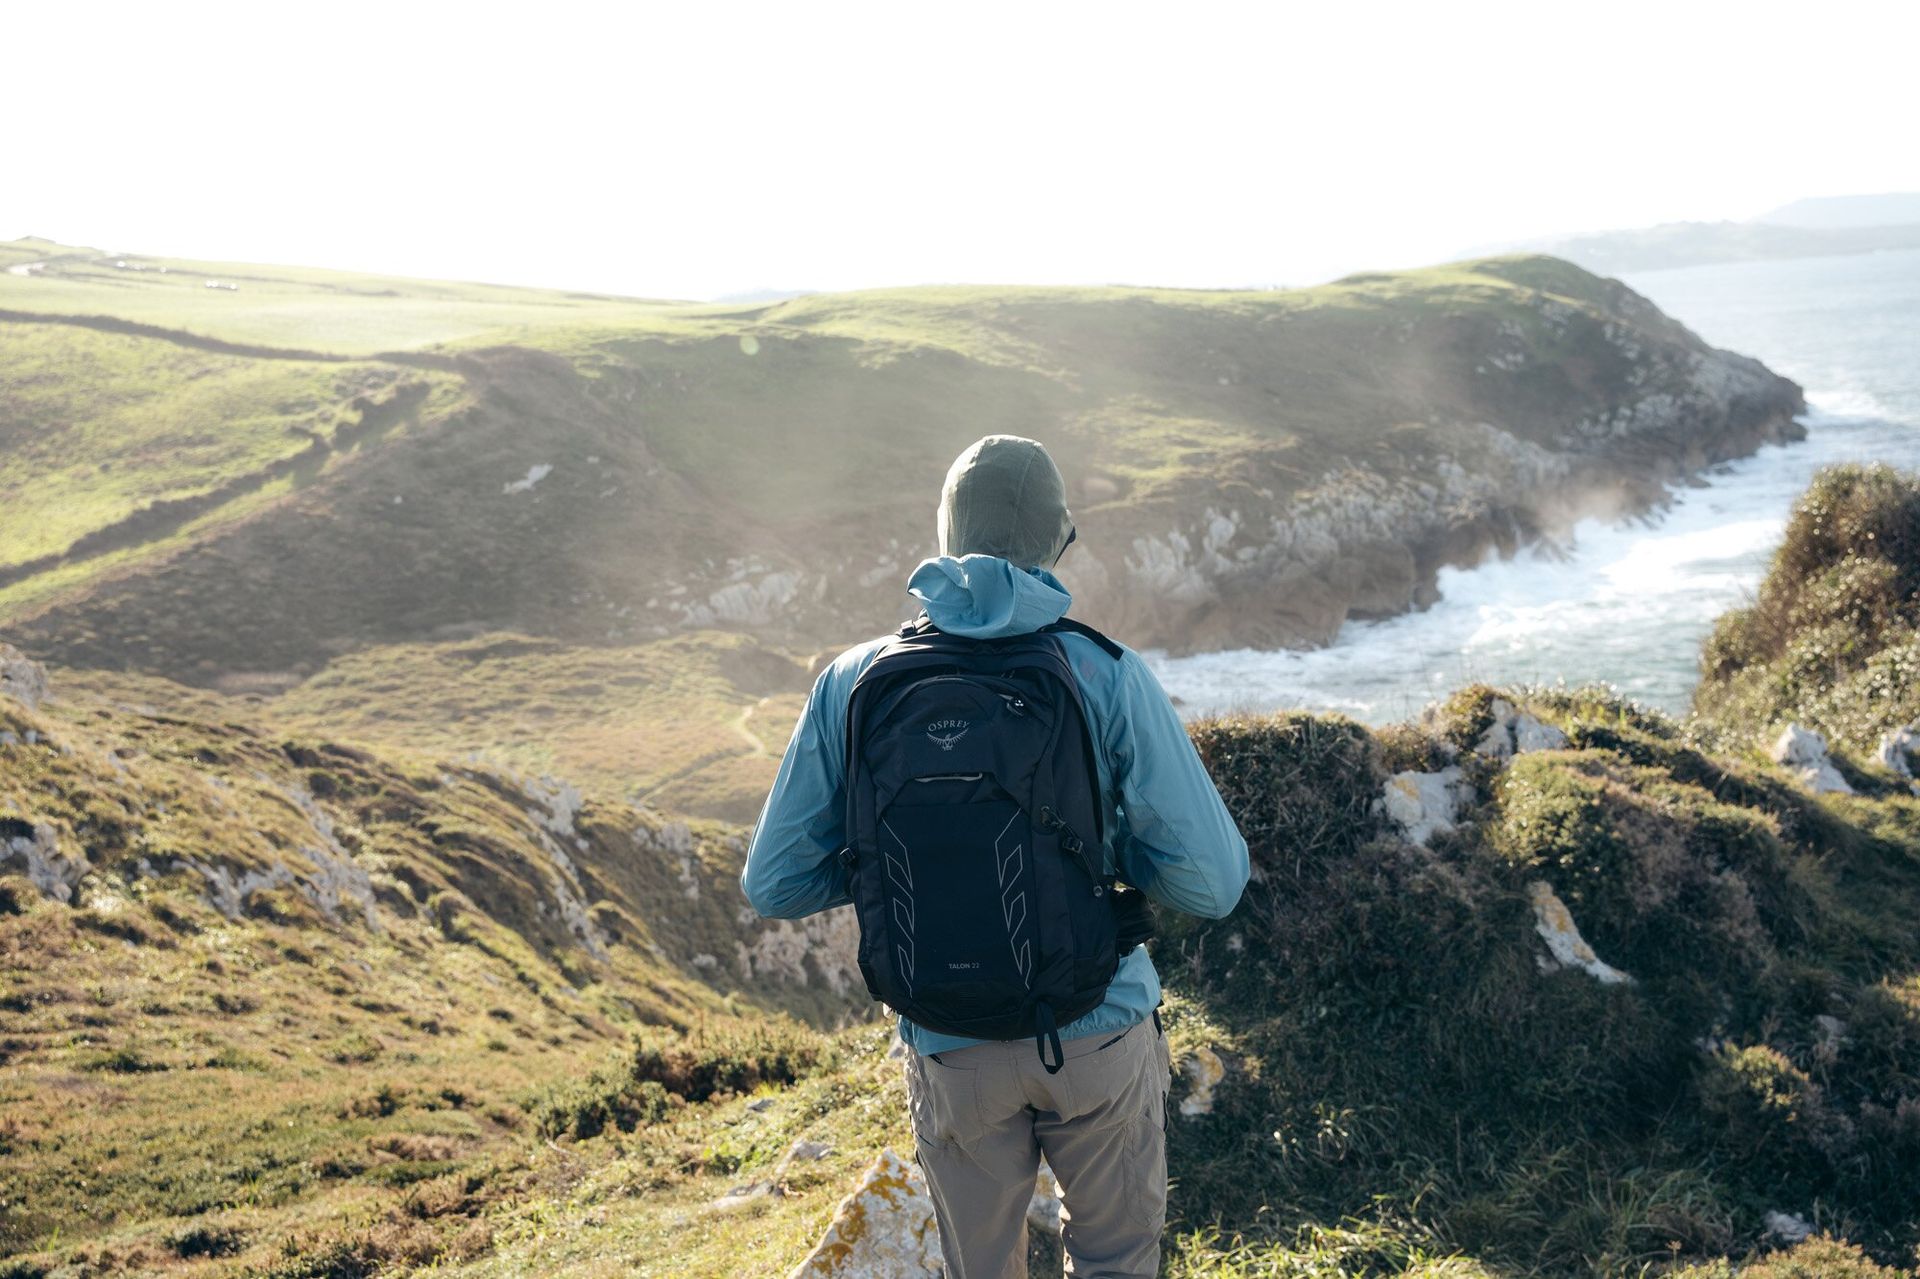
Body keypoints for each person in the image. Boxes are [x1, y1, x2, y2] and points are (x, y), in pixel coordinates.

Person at [742, 434, 1250, 1278]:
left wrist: (888, 861)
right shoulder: (1104, 672)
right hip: (1098, 1021)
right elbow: (1216, 880)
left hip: (950, 1042)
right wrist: (1107, 858)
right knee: (1119, 1259)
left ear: (946, 535)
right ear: (1057, 540)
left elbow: (774, 882)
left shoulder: (852, 679)